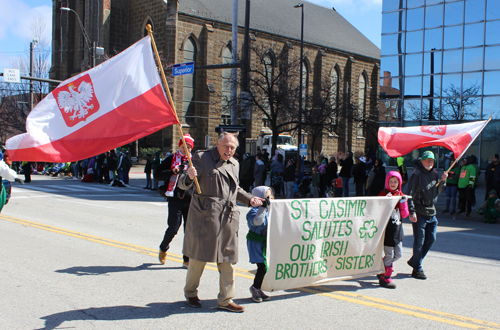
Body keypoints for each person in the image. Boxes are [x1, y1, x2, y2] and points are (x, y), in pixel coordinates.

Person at [177, 131, 263, 313]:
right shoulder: (201, 158)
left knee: (227, 260)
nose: (229, 150)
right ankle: (191, 293)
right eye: (226, 146)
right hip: (205, 216)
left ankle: (226, 299)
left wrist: (250, 199)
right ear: (218, 144)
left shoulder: (234, 164)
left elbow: (236, 188)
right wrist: (189, 177)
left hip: (227, 218)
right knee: (198, 258)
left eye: (232, 148)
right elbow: (183, 184)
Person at [406, 151, 448, 280]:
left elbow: (436, 191)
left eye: (432, 160)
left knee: (431, 239)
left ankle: (415, 260)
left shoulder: (434, 173)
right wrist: (411, 211)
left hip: (431, 211)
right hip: (419, 211)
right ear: (422, 161)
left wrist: (443, 181)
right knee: (419, 241)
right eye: (427, 160)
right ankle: (417, 268)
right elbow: (409, 193)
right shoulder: (416, 174)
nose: (430, 163)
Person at [156, 134, 195, 268]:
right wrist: (172, 171)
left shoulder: (194, 161)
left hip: (190, 200)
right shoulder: (171, 159)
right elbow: (157, 175)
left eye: (188, 147)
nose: (186, 149)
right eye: (184, 146)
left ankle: (187, 258)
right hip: (175, 199)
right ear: (179, 146)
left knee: (189, 230)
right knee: (173, 228)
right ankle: (163, 247)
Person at [377, 171, 409, 289]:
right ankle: (386, 276)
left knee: (398, 254)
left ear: (399, 183)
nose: (393, 183)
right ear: (387, 182)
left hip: (397, 230)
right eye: (390, 181)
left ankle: (381, 267)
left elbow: (405, 215)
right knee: (389, 255)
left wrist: (403, 202)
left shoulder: (401, 194)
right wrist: (385, 201)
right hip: (387, 231)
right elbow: (378, 212)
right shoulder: (383, 194)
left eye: (395, 181)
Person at [246, 186, 273, 303]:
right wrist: (262, 207)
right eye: (267, 196)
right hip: (256, 242)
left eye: (271, 196)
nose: (270, 198)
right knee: (261, 267)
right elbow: (258, 222)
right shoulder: (253, 211)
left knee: (266, 267)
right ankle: (255, 287)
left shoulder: (270, 209)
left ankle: (259, 288)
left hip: (265, 241)